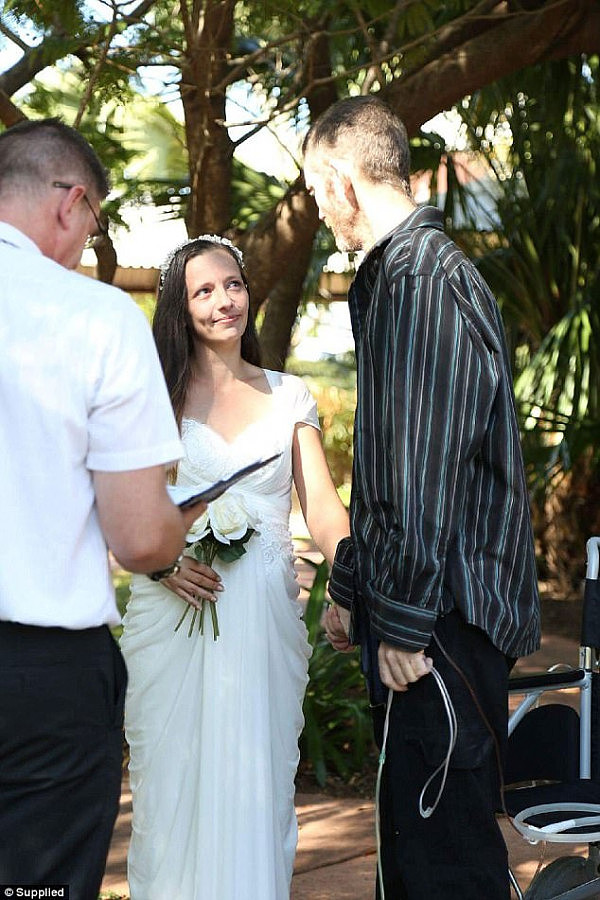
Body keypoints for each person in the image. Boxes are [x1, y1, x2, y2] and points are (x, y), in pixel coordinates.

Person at [303, 95, 541, 899]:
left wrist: (400, 621)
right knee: (413, 853)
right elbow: (386, 465)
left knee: (449, 867)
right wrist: (349, 588)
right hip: (422, 614)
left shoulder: (424, 279)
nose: (317, 211)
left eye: (313, 191)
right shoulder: (398, 276)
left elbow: (428, 466)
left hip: (443, 622)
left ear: (340, 177)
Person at [0, 118, 206, 900]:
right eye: (95, 222)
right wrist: (179, 522)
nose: (89, 240)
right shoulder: (95, 318)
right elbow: (140, 538)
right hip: (39, 680)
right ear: (70, 202)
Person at [120, 234, 350, 900]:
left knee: (259, 788)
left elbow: (327, 513)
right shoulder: (155, 398)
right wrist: (162, 565)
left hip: (263, 627)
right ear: (179, 306)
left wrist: (352, 581)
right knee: (172, 791)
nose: (224, 301)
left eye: (233, 285)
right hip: (173, 619)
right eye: (204, 290)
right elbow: (121, 511)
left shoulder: (290, 396)